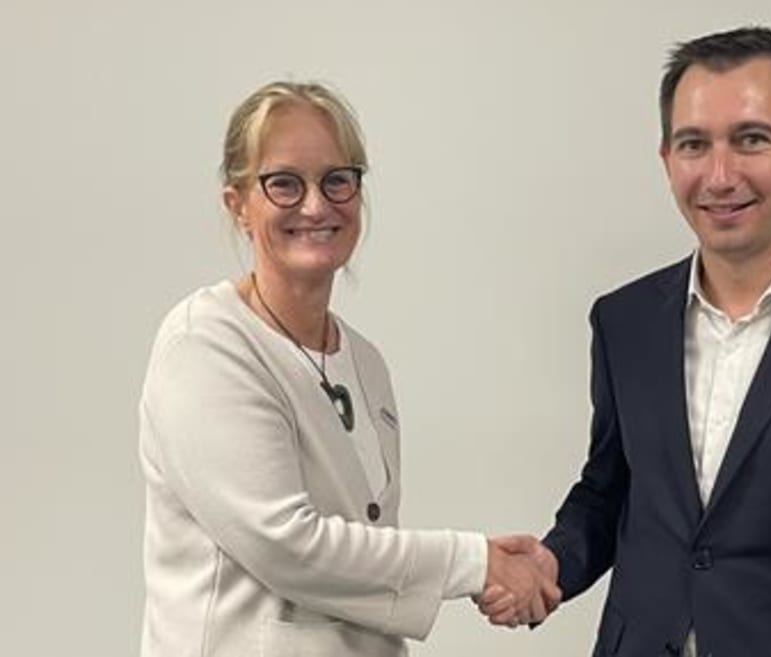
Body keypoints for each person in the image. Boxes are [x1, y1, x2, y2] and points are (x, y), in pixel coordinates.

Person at [480, 26, 771, 656]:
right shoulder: (623, 321)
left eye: (751, 140)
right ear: (666, 159)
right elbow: (613, 489)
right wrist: (552, 564)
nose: (719, 174)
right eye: (693, 144)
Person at [138, 81, 557, 657]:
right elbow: (287, 547)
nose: (316, 204)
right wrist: (475, 563)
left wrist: (499, 571)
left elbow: (361, 564)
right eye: (284, 183)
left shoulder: (364, 362)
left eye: (337, 180)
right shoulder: (206, 346)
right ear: (238, 205)